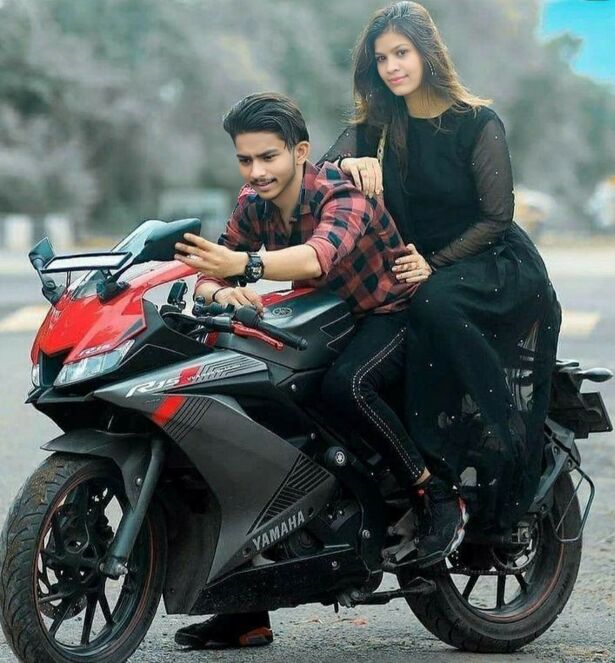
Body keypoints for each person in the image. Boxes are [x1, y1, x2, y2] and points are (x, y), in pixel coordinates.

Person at [171, 92, 466, 649]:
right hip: (326, 318)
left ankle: (435, 493)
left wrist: (244, 266)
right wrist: (220, 291)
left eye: (268, 157)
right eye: (245, 159)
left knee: (346, 386)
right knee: (253, 413)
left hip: (391, 314)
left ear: (300, 152)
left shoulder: (341, 192)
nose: (256, 172)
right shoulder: (253, 203)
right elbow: (213, 272)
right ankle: (246, 612)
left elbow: (317, 256)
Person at [320, 0, 561, 533]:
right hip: (414, 269)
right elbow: (316, 178)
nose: (392, 67)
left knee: (432, 301)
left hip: (487, 263)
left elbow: (497, 217)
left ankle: (495, 442)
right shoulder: (379, 125)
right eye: (381, 58)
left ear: (427, 52)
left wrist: (435, 264)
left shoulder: (476, 123)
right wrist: (346, 163)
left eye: (401, 53)